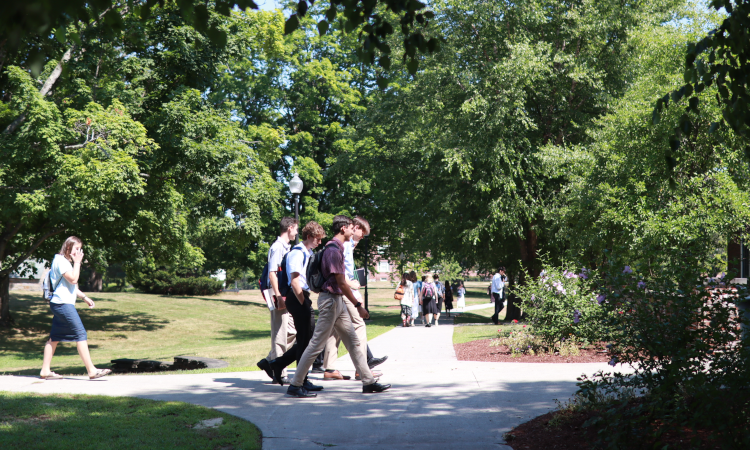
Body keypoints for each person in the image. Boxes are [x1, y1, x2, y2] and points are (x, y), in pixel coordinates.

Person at [286, 215, 391, 397]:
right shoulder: (333, 250)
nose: (353, 230)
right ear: (343, 229)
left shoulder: (337, 248)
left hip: (337, 300)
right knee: (316, 344)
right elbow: (341, 282)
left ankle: (368, 382)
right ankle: (295, 385)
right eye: (351, 227)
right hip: (330, 301)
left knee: (353, 341)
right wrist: (358, 305)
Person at [322, 216, 387, 380]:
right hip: (344, 290)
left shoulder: (345, 245)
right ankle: (362, 368)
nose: (361, 237)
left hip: (340, 292)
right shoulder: (344, 245)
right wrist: (355, 295)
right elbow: (342, 275)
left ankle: (330, 368)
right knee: (359, 325)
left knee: (334, 331)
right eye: (361, 233)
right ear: (354, 228)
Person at [40, 236, 111, 380]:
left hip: (60, 303)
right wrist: (78, 263)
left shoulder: (62, 261)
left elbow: (70, 286)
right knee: (80, 334)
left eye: (80, 249)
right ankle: (92, 370)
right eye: (76, 248)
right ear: (68, 248)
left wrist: (84, 297)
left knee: (54, 338)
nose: (79, 252)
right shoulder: (61, 261)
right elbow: (73, 279)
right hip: (63, 304)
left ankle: (45, 370)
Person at [267, 221, 326, 393]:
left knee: (305, 340)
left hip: (302, 296)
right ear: (309, 237)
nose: (319, 242)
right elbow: (294, 281)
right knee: (307, 340)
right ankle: (299, 379)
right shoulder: (297, 253)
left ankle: (280, 365)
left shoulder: (308, 252)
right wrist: (304, 302)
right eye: (317, 239)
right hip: (297, 297)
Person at [257, 217, 298, 384]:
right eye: (295, 229)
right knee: (279, 334)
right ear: (289, 228)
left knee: (294, 331)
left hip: (284, 295)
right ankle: (279, 373)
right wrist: (279, 296)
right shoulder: (277, 248)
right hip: (278, 296)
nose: (296, 232)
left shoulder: (285, 247)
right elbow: (272, 273)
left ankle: (269, 361)